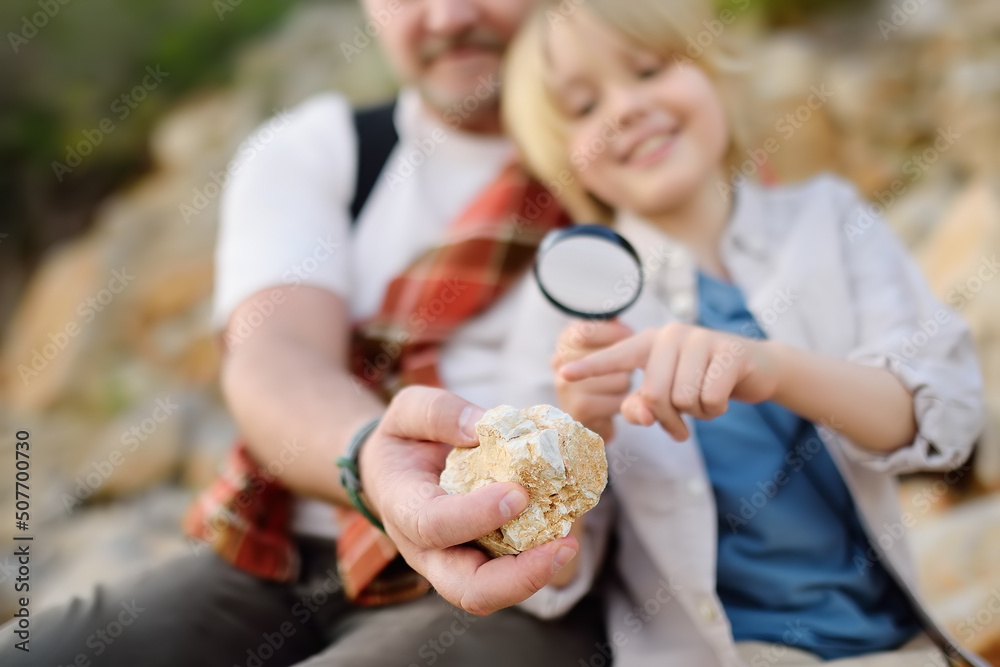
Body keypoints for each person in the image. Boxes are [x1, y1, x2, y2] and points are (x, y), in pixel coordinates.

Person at [0, 1, 609, 665]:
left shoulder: (631, 154)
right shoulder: (318, 152)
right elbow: (275, 353)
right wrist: (371, 456)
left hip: (514, 583)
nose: (447, 16)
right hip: (281, 555)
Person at [496, 0, 988, 664]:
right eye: (583, 108)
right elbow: (543, 572)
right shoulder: (561, 309)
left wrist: (773, 369)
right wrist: (577, 439)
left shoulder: (830, 219)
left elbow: (943, 422)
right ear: (566, 162)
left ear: (714, 71)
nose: (623, 110)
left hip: (899, 644)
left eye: (648, 69)